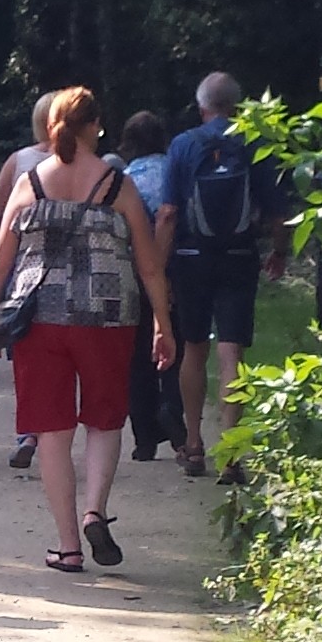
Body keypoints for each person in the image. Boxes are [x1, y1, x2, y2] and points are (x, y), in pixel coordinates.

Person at [0, 86, 172, 574]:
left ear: (51, 127)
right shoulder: (117, 185)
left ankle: (67, 546)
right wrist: (162, 325)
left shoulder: (29, 183)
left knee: (51, 431)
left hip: (39, 319)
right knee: (104, 420)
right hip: (108, 317)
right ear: (96, 127)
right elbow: (149, 265)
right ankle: (94, 512)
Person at [161, 71, 293, 479]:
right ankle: (231, 454)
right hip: (238, 255)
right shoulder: (254, 144)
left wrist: (159, 269)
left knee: (194, 347)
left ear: (201, 105)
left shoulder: (183, 145)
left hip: (190, 256)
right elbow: (279, 212)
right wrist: (279, 252)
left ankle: (194, 444)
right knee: (231, 351)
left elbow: (168, 213)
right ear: (239, 106)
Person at [0, 91, 60, 472]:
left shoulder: (19, 162)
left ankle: (29, 433)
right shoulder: (88, 165)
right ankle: (53, 431)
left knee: (26, 356)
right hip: (73, 276)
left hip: (23, 272)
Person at [118, 109, 182, 462]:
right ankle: (173, 412)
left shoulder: (126, 180)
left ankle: (144, 437)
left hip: (134, 274)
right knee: (177, 344)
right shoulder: (176, 172)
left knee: (138, 355)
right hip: (179, 269)